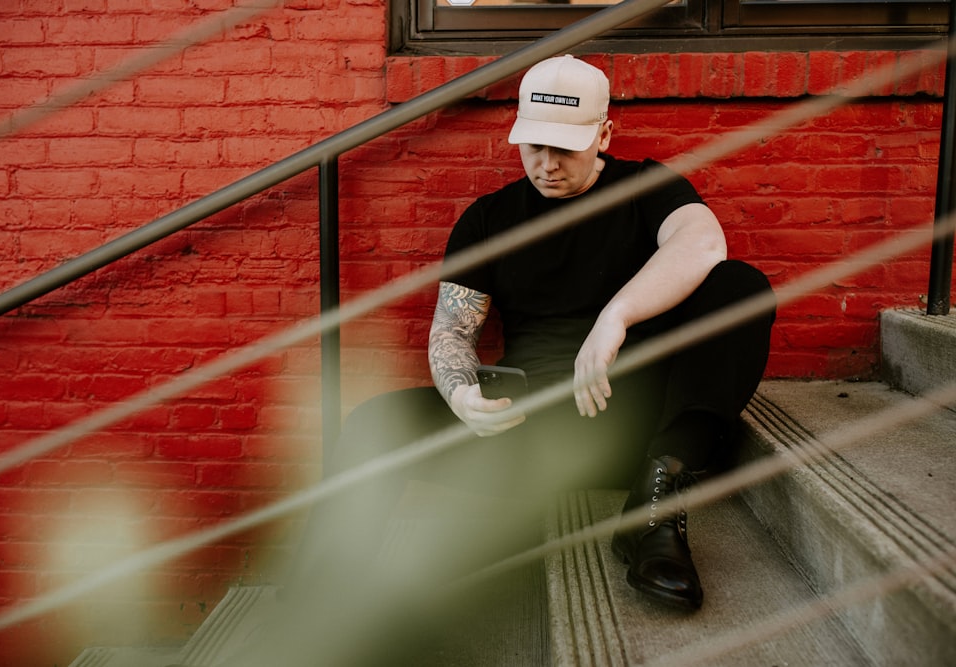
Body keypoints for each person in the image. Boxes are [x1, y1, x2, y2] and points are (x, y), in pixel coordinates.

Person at [283, 55, 775, 651]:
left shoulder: (647, 188)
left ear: (604, 135)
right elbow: (452, 334)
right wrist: (462, 395)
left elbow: (703, 242)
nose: (548, 163)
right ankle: (322, 599)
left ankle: (654, 512)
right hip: (532, 426)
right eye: (534, 145)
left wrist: (614, 318)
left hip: (635, 418)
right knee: (374, 421)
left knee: (740, 286)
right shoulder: (490, 219)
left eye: (566, 147)